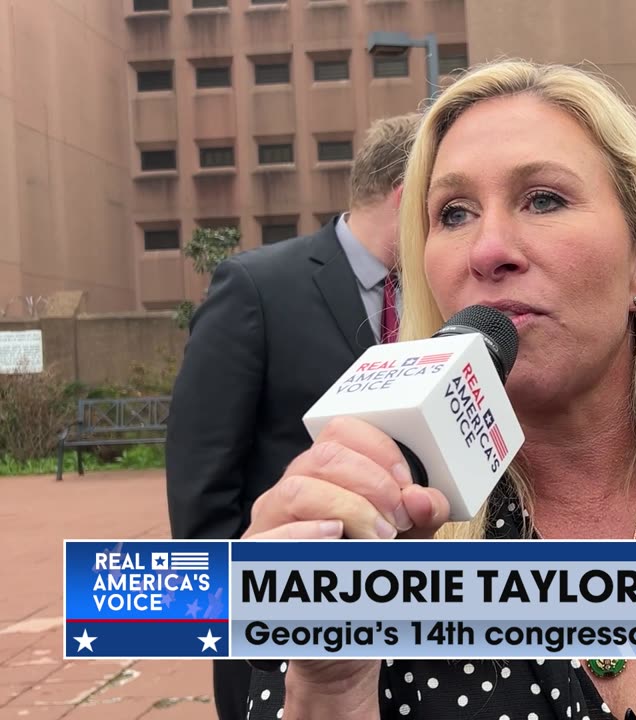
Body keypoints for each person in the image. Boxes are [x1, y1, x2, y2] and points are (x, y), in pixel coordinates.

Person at [240, 59, 636, 720]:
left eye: (543, 198)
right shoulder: (368, 542)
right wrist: (333, 687)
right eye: (454, 213)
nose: (488, 249)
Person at [164, 113, 422, 719]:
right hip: (287, 623)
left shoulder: (442, 293)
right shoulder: (257, 286)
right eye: (452, 205)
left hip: (412, 625)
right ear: (409, 198)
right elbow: (202, 481)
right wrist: (247, 623)